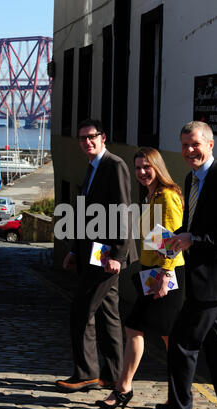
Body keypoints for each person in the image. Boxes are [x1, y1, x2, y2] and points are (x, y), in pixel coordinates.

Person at [142, 121, 217, 409]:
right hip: (202, 273)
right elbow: (191, 223)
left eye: (195, 144)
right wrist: (172, 239)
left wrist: (195, 239)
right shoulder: (191, 178)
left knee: (181, 341)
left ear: (210, 144)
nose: (190, 151)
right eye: (185, 145)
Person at [95, 147, 185, 409]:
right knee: (164, 337)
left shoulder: (166, 197)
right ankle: (174, 396)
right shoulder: (151, 196)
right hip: (152, 272)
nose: (142, 172)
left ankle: (124, 388)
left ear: (158, 167)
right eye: (138, 168)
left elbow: (173, 239)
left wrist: (165, 276)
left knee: (141, 329)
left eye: (147, 167)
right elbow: (153, 238)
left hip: (166, 274)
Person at [55, 118, 138, 392]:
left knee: (81, 310)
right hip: (93, 252)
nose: (87, 142)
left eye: (92, 136)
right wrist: (75, 252)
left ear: (103, 138)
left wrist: (118, 253)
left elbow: (123, 211)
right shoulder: (92, 167)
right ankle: (113, 374)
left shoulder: (114, 165)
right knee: (108, 312)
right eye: (82, 138)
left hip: (107, 254)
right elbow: (86, 215)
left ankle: (86, 372)